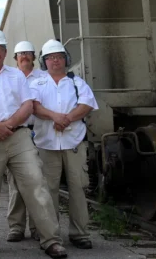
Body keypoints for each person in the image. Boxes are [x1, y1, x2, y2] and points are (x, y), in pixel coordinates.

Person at [0, 29, 67, 259]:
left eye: (0, 49)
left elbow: (27, 106)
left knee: (36, 184)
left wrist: (9, 125)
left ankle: (51, 240)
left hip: (19, 137)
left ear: (6, 52)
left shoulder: (16, 76)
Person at [31, 40, 97, 249]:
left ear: (65, 59)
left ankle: (80, 234)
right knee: (47, 191)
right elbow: (33, 106)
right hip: (47, 144)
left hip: (73, 142)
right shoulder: (37, 83)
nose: (55, 61)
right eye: (50, 58)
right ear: (44, 61)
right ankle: (50, 236)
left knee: (78, 188)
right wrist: (54, 117)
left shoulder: (77, 82)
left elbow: (86, 104)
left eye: (58, 57)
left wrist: (66, 119)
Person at [6, 41, 46, 242]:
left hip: (41, 134)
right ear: (15, 58)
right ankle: (16, 227)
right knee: (16, 185)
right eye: (20, 54)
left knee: (37, 183)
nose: (24, 57)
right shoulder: (10, 77)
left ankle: (39, 227)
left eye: (28, 53)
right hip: (18, 133)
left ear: (34, 57)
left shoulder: (44, 78)